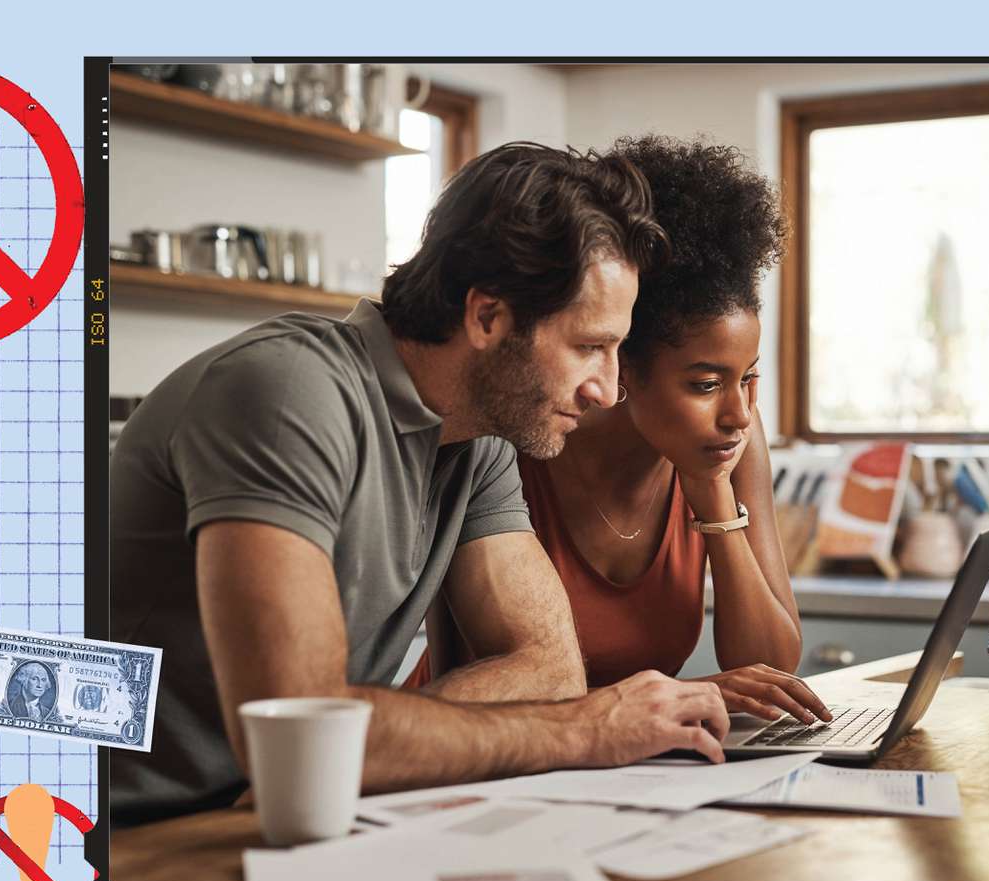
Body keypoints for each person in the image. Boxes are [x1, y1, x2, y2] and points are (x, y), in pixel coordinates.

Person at [110, 142, 730, 826]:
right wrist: (586, 730)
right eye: (589, 347)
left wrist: (368, 743)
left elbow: (550, 669)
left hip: (277, 815)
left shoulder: (476, 440)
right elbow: (299, 735)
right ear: (488, 317)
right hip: (113, 831)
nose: (608, 390)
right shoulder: (287, 394)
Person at [410, 136, 827, 726]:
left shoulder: (727, 443)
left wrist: (711, 498)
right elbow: (487, 673)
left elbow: (773, 668)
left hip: (626, 761)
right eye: (706, 385)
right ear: (623, 363)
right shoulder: (523, 435)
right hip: (480, 745)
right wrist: (684, 696)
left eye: (749, 379)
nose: (738, 413)